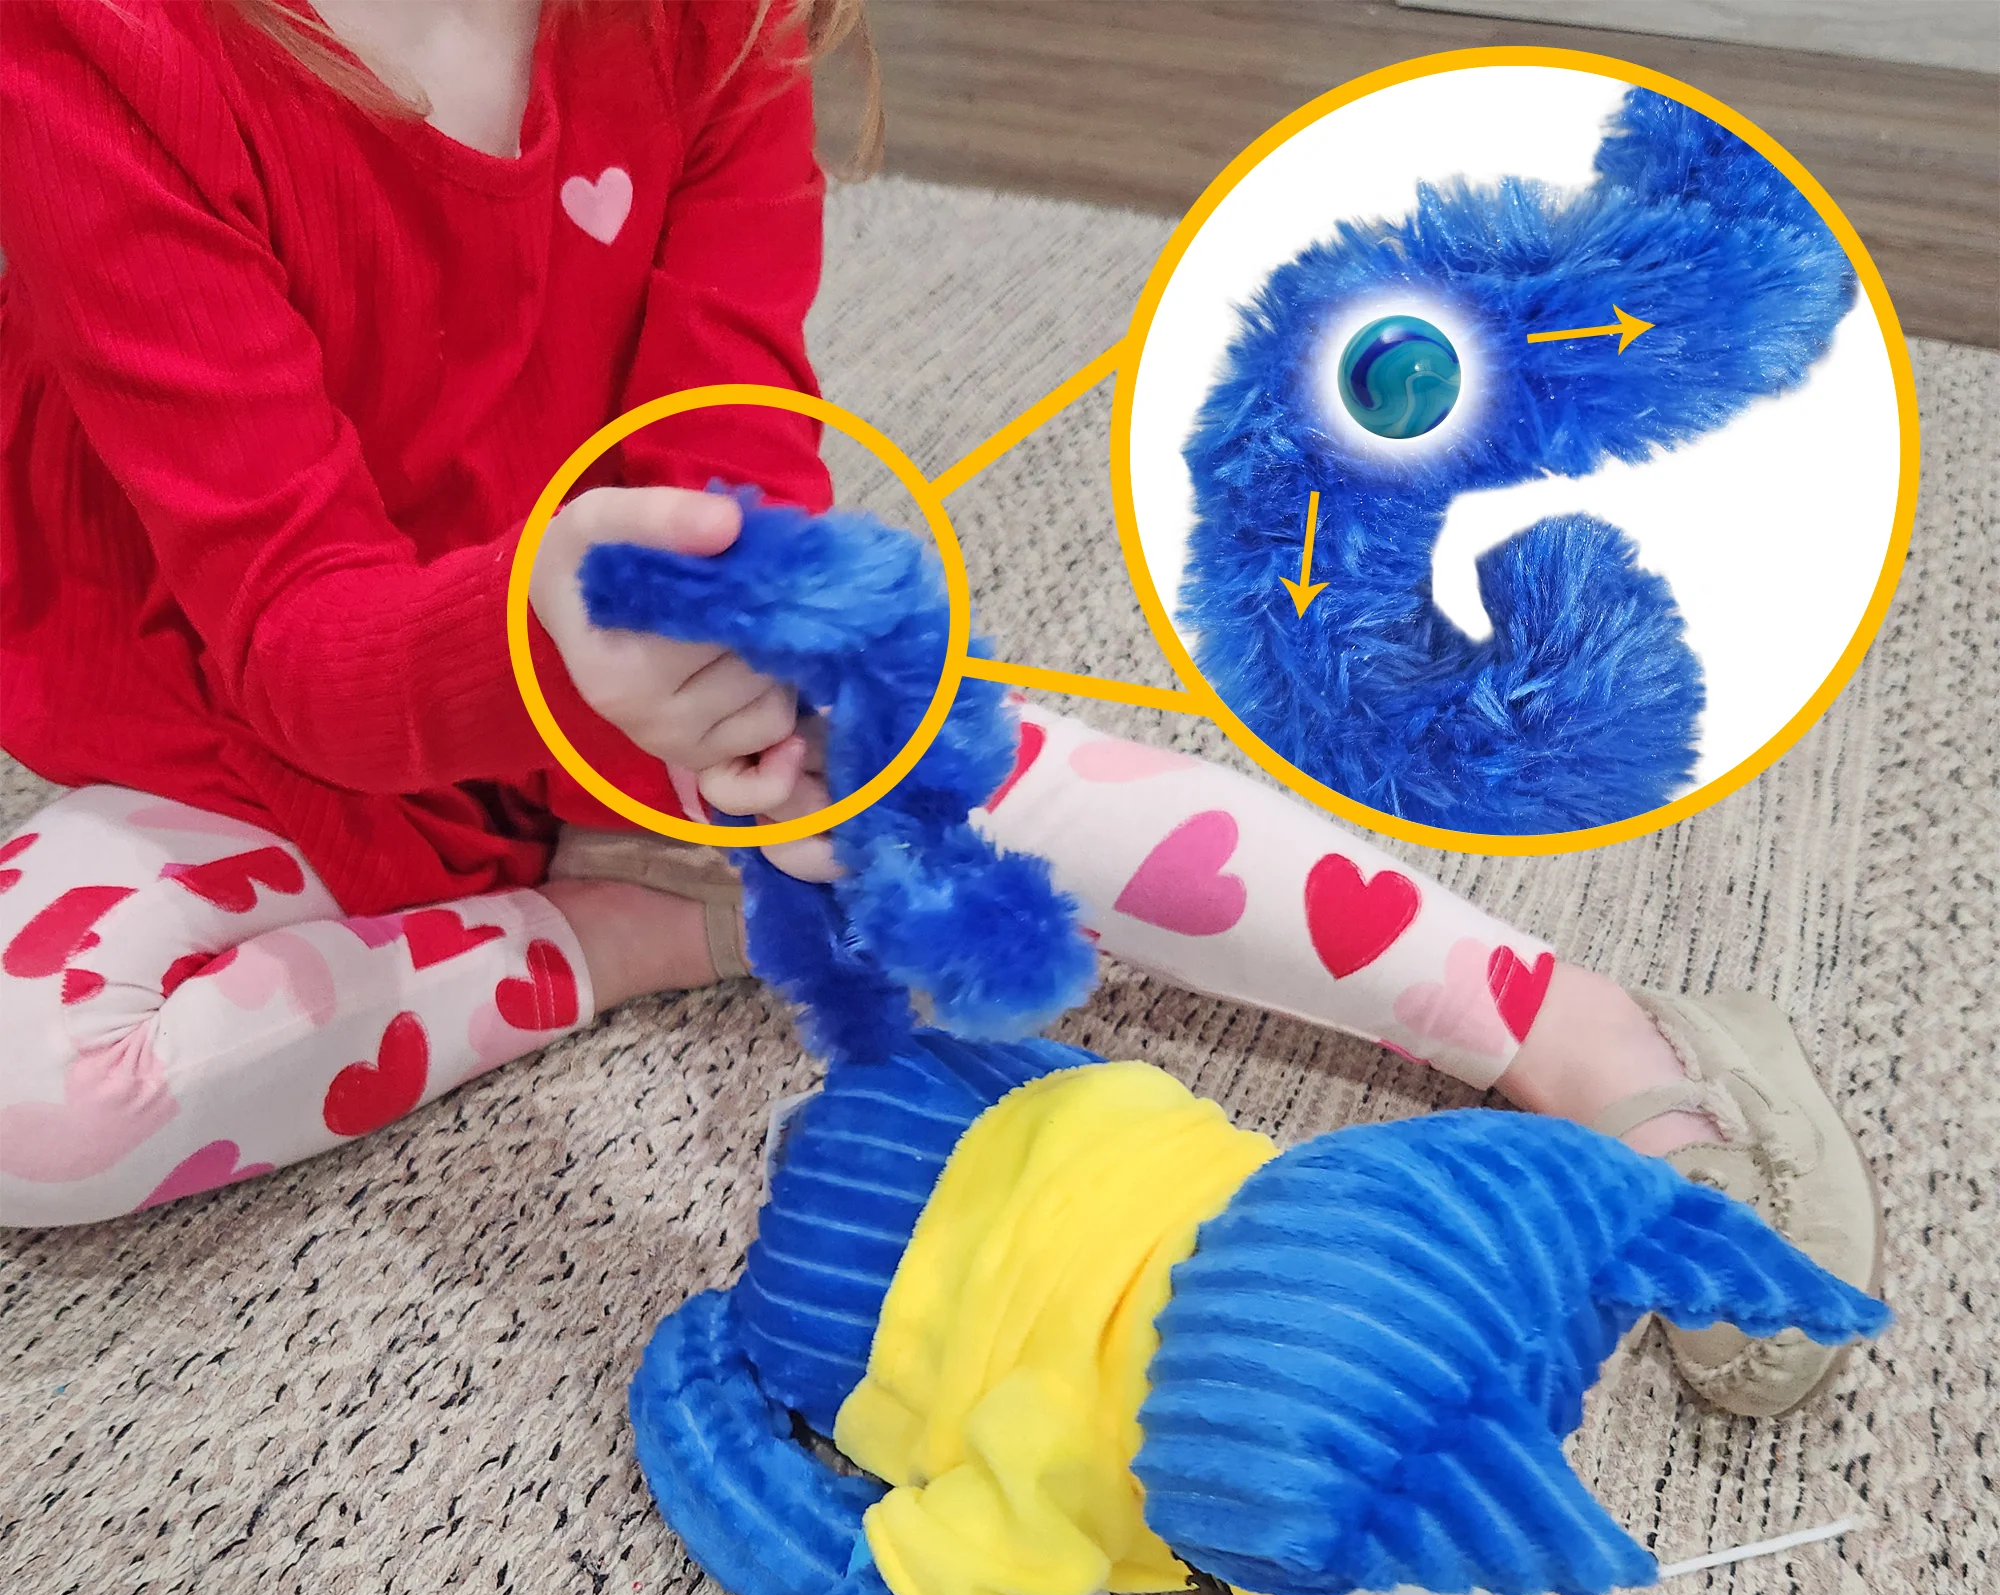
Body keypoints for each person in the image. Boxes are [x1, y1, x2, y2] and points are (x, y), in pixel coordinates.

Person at [0, 0, 1878, 1416]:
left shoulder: (718, 20)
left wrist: (741, 639)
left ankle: (1563, 1018)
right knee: (37, 1102)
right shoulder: (92, 51)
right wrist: (558, 648)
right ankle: (623, 938)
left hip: (612, 675)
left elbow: (731, 427)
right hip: (241, 723)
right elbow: (291, 628)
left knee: (965, 775)